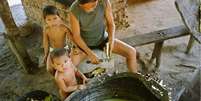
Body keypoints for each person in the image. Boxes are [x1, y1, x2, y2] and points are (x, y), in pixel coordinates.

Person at [69, 0, 138, 73]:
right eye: (86, 8)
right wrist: (90, 54)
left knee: (131, 52)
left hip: (103, 40)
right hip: (84, 45)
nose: (91, 10)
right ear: (80, 5)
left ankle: (135, 79)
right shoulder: (74, 10)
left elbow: (111, 24)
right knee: (69, 67)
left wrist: (110, 41)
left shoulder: (104, 2)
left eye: (93, 6)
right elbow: (76, 36)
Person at [42, 5, 74, 75]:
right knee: (49, 69)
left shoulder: (64, 28)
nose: (52, 22)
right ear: (45, 20)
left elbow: (72, 39)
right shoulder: (46, 30)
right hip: (53, 50)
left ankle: (69, 76)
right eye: (49, 20)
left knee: (70, 64)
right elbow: (46, 42)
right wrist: (46, 54)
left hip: (64, 49)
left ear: (59, 17)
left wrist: (72, 49)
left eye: (55, 18)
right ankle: (58, 77)